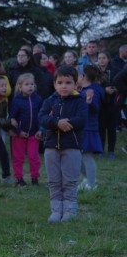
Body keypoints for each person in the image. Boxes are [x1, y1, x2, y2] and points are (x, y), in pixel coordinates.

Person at [39, 66, 88, 223]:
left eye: (68, 82)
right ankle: (55, 210)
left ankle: (69, 211)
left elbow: (82, 119)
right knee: (54, 181)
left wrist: (67, 123)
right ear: (54, 84)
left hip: (72, 147)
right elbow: (42, 117)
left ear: (75, 84)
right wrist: (56, 122)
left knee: (69, 181)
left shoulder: (80, 101)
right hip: (51, 147)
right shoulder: (49, 100)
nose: (64, 86)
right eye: (60, 82)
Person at [9, 73, 43, 186]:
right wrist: (18, 131)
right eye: (27, 84)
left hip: (34, 134)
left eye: (32, 84)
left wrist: (41, 130)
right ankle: (19, 179)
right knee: (18, 157)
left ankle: (35, 178)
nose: (30, 87)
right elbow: (12, 118)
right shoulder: (16, 100)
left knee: (34, 157)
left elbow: (42, 116)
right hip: (19, 135)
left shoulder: (38, 99)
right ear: (20, 86)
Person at [78, 65, 105, 190]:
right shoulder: (82, 90)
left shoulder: (93, 90)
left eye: (77, 74)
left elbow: (96, 108)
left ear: (83, 77)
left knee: (87, 156)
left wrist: (89, 101)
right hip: (80, 128)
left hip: (89, 129)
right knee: (76, 157)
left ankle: (92, 184)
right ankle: (88, 179)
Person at [97, 50, 121, 159]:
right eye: (99, 58)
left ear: (108, 59)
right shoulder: (96, 71)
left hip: (113, 103)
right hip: (100, 104)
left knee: (111, 128)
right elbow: (93, 86)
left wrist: (115, 89)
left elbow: (122, 83)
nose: (101, 60)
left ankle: (111, 151)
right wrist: (104, 90)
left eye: (103, 58)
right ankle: (100, 150)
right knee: (101, 128)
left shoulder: (115, 70)